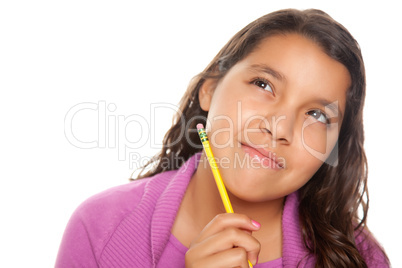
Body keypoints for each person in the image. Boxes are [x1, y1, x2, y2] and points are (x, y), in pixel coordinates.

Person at [56, 8, 389, 267]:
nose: (279, 128)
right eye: (263, 85)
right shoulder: (99, 229)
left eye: (316, 115)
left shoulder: (360, 258)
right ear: (210, 88)